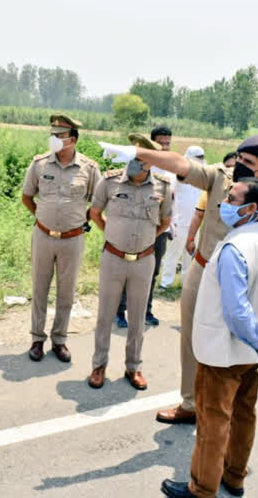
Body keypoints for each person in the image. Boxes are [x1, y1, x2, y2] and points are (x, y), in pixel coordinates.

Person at [100, 134, 258, 425]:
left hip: (246, 286)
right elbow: (181, 164)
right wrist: (139, 152)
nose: (239, 166)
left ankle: (227, 409)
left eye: (249, 163)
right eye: (239, 158)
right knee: (192, 340)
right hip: (203, 272)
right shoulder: (221, 179)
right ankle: (190, 403)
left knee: (237, 345)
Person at [160, 178, 258, 498]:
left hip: (221, 353)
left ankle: (202, 488)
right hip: (251, 357)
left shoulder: (235, 248)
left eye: (232, 199)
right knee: (244, 415)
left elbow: (236, 310)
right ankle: (234, 478)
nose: (224, 205)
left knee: (213, 423)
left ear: (250, 209)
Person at [88, 134, 173, 390]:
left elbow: (165, 222)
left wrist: (146, 242)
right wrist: (112, 236)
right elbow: (94, 213)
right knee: (105, 314)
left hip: (144, 261)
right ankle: (99, 365)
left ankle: (133, 367)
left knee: (137, 316)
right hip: (113, 257)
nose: (136, 163)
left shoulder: (163, 186)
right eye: (134, 157)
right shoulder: (110, 180)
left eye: (142, 159)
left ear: (151, 162)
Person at [22, 113, 101, 363]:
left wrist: (80, 221)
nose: (54, 139)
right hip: (43, 236)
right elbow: (27, 197)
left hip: (73, 239)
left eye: (60, 136)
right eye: (52, 134)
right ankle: (37, 339)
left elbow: (97, 203)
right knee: (40, 287)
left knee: (66, 291)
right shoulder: (39, 164)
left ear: (73, 139)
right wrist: (43, 219)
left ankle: (59, 340)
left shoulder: (89, 168)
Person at [115, 126, 172, 328]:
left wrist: (160, 232)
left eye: (168, 143)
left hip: (158, 232)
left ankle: (145, 311)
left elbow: (172, 206)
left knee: (151, 273)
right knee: (126, 272)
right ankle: (119, 311)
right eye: (161, 143)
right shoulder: (136, 165)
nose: (165, 147)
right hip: (132, 230)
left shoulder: (171, 171)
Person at [160, 146, 205, 289]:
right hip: (179, 222)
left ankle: (187, 284)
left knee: (191, 255)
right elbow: (170, 196)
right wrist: (171, 221)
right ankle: (165, 283)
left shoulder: (204, 176)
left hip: (196, 223)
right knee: (173, 253)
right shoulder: (176, 174)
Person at [185, 153, 236, 257]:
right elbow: (198, 215)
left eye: (235, 167)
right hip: (209, 248)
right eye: (228, 167)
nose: (231, 170)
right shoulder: (212, 190)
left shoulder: (248, 193)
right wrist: (190, 239)